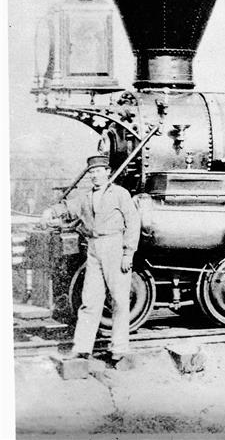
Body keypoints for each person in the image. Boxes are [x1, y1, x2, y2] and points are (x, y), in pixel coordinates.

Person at [47, 155, 140, 366]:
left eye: (98, 171)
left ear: (107, 172)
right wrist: (51, 211)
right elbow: (68, 207)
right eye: (91, 172)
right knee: (90, 300)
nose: (94, 175)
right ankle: (82, 349)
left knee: (119, 300)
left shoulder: (120, 194)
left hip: (115, 246)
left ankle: (119, 349)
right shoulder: (86, 197)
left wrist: (128, 253)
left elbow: (133, 223)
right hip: (94, 248)